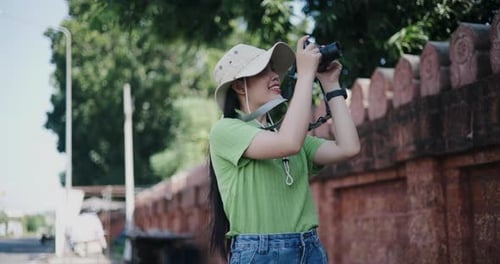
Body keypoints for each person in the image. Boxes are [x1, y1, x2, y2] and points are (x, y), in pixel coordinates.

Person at [208, 36, 360, 263]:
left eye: (274, 70)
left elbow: (348, 147)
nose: (275, 76)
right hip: (260, 254)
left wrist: (330, 84)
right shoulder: (225, 130)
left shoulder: (284, 136)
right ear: (240, 86)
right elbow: (288, 144)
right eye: (263, 71)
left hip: (310, 249)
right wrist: (307, 74)